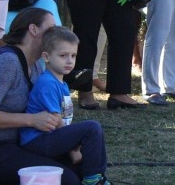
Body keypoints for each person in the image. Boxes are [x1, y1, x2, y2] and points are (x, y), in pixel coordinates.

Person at [0, 8, 94, 184]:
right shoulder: (7, 61)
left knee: (82, 167)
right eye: (52, 28)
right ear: (33, 30)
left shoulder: (38, 66)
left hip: (25, 143)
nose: (57, 34)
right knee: (66, 180)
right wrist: (31, 120)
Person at [20, 26, 110, 184]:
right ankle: (93, 179)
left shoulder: (61, 84)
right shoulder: (47, 83)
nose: (70, 61)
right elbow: (56, 121)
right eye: (63, 55)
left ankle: (94, 176)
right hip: (37, 141)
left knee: (82, 162)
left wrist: (74, 146)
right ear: (46, 57)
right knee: (92, 128)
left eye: (73, 55)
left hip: (50, 138)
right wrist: (73, 149)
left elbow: (65, 121)